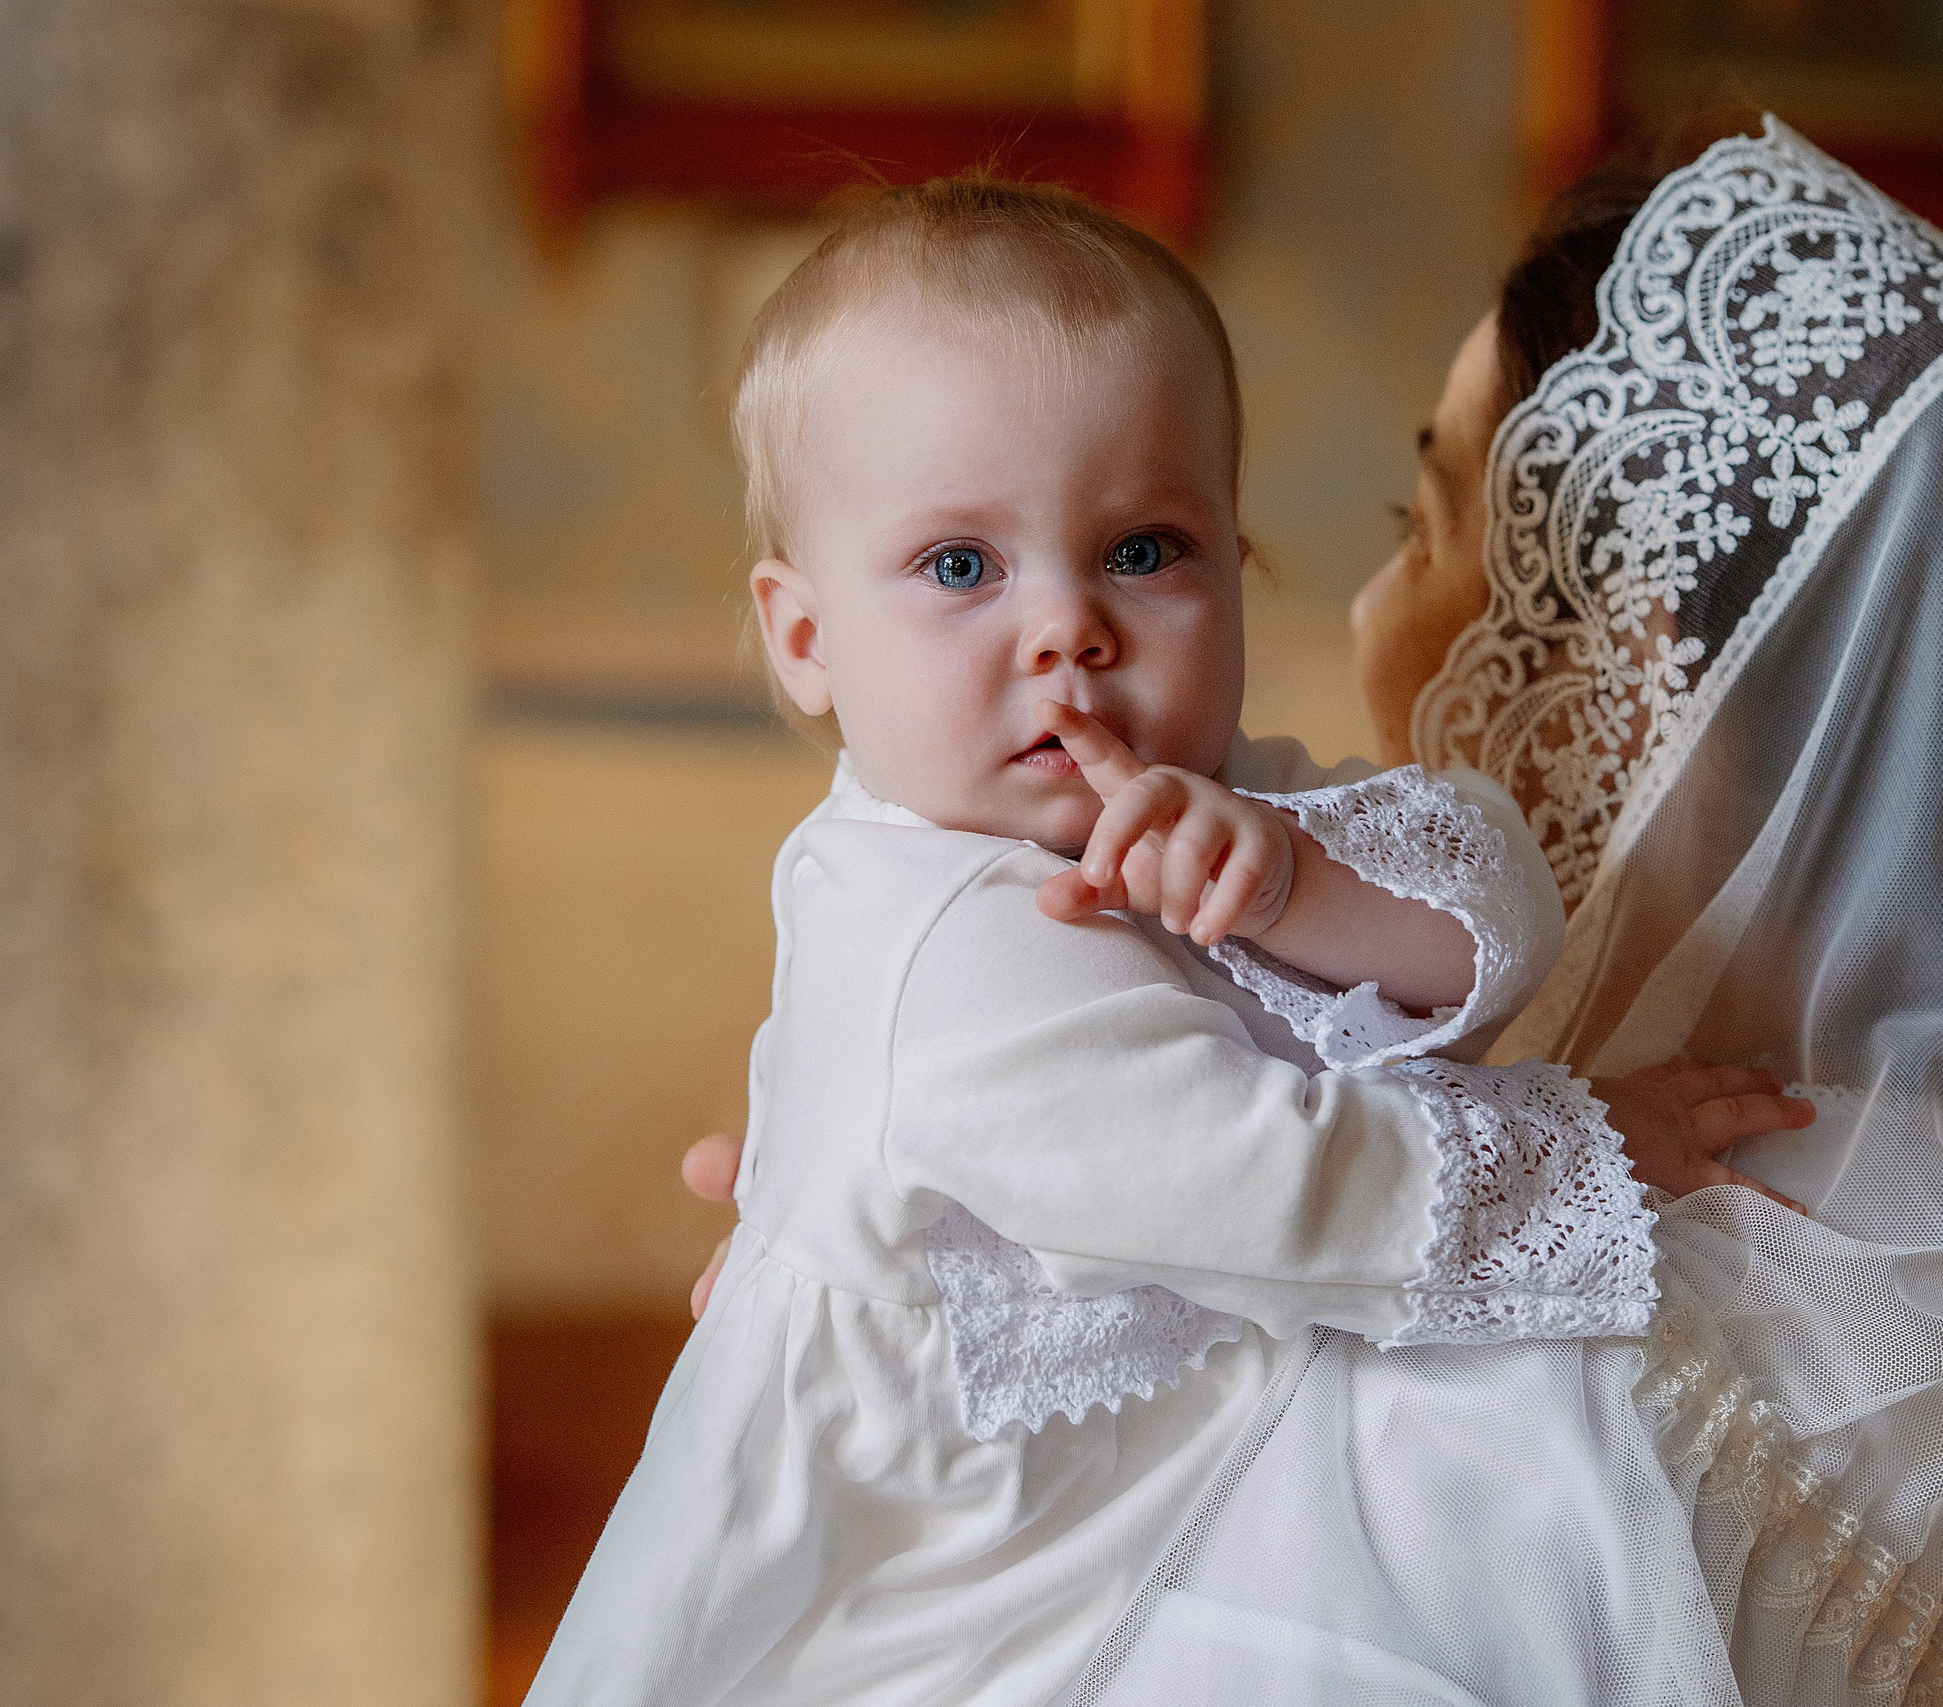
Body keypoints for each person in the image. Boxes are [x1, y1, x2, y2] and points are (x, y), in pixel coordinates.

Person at [525, 177, 1818, 1707]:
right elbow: (1270, 1189)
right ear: (804, 639)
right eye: (962, 566)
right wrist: (1580, 1145)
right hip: (937, 1610)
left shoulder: (1209, 805)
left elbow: (1493, 904)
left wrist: (1296, 887)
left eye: (1143, 551)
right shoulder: (950, 937)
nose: (1069, 628)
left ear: (1237, 556)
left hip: (1135, 1496)